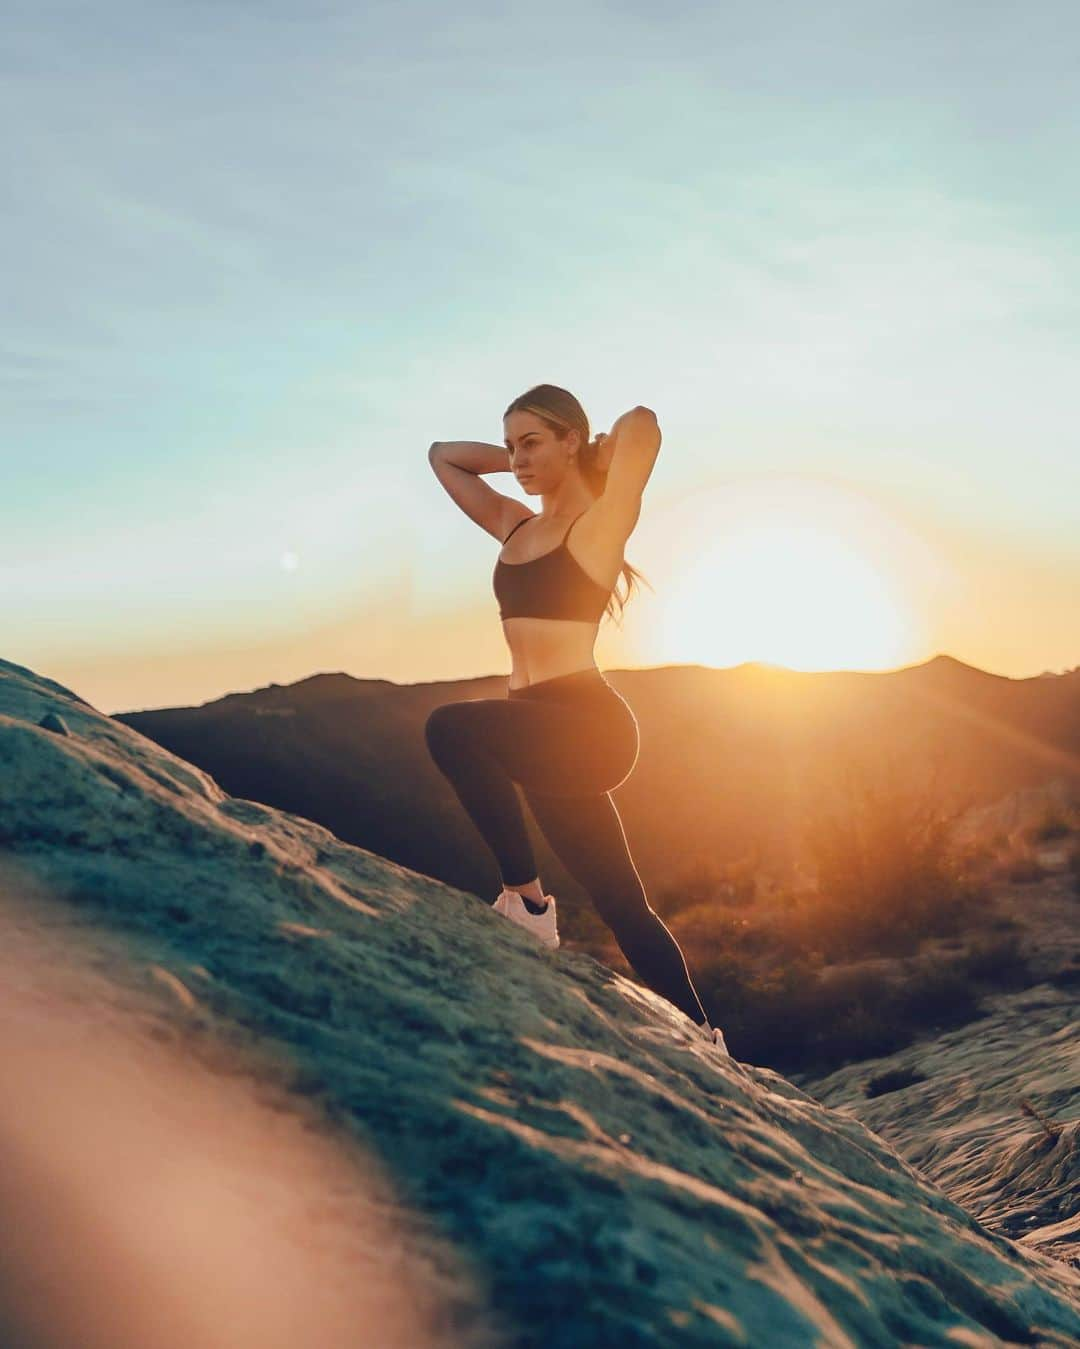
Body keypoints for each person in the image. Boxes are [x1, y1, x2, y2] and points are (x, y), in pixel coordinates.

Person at [424, 384, 729, 1056]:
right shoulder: (514, 524)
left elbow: (643, 423)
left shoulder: (597, 527)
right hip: (532, 726)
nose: (516, 457)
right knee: (623, 903)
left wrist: (587, 452)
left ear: (569, 439)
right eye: (508, 445)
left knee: (449, 728)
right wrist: (526, 463)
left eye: (531, 441)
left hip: (586, 725)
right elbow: (444, 457)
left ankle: (527, 905)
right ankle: (708, 1038)